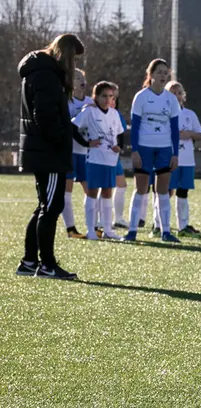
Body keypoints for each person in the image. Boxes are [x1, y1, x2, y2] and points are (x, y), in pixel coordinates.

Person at [16, 33, 85, 280]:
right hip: (48, 153)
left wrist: (73, 134)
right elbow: (44, 116)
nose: (74, 65)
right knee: (52, 207)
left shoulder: (40, 71)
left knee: (44, 206)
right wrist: (60, 141)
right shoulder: (47, 75)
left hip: (40, 151)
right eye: (73, 59)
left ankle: (28, 261)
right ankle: (47, 265)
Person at [122, 58, 181, 243]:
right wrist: (135, 151)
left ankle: (165, 231)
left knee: (163, 191)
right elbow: (136, 126)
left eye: (166, 72)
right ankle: (132, 231)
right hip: (144, 148)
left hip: (164, 149)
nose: (163, 75)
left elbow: (175, 129)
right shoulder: (141, 97)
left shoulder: (171, 99)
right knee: (141, 189)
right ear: (150, 75)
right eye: (159, 72)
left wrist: (175, 154)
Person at [73, 81, 124, 240]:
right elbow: (72, 127)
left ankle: (108, 230)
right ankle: (90, 230)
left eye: (110, 96)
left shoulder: (114, 113)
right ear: (96, 97)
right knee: (92, 192)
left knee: (108, 192)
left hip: (110, 159)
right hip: (95, 158)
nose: (107, 99)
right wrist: (86, 143)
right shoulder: (89, 112)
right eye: (103, 96)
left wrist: (119, 147)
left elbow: (120, 133)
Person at [165, 80, 201, 236]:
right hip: (168, 158)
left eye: (179, 93)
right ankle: (160, 224)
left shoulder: (190, 114)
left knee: (183, 191)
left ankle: (183, 226)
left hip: (187, 160)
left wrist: (189, 134)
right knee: (165, 191)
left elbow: (200, 135)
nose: (177, 96)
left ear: (183, 96)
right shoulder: (164, 114)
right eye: (173, 93)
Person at [62, 68, 93, 238]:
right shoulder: (66, 102)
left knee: (91, 189)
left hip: (87, 153)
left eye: (82, 77)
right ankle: (71, 228)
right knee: (67, 191)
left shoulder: (91, 102)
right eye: (76, 78)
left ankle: (93, 226)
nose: (81, 80)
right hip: (69, 152)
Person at [110, 86, 130, 229]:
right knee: (103, 187)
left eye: (114, 97)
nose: (112, 100)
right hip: (101, 156)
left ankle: (118, 219)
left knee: (121, 185)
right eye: (108, 96)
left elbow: (120, 134)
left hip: (114, 156)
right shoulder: (96, 113)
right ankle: (99, 220)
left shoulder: (117, 115)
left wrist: (119, 147)